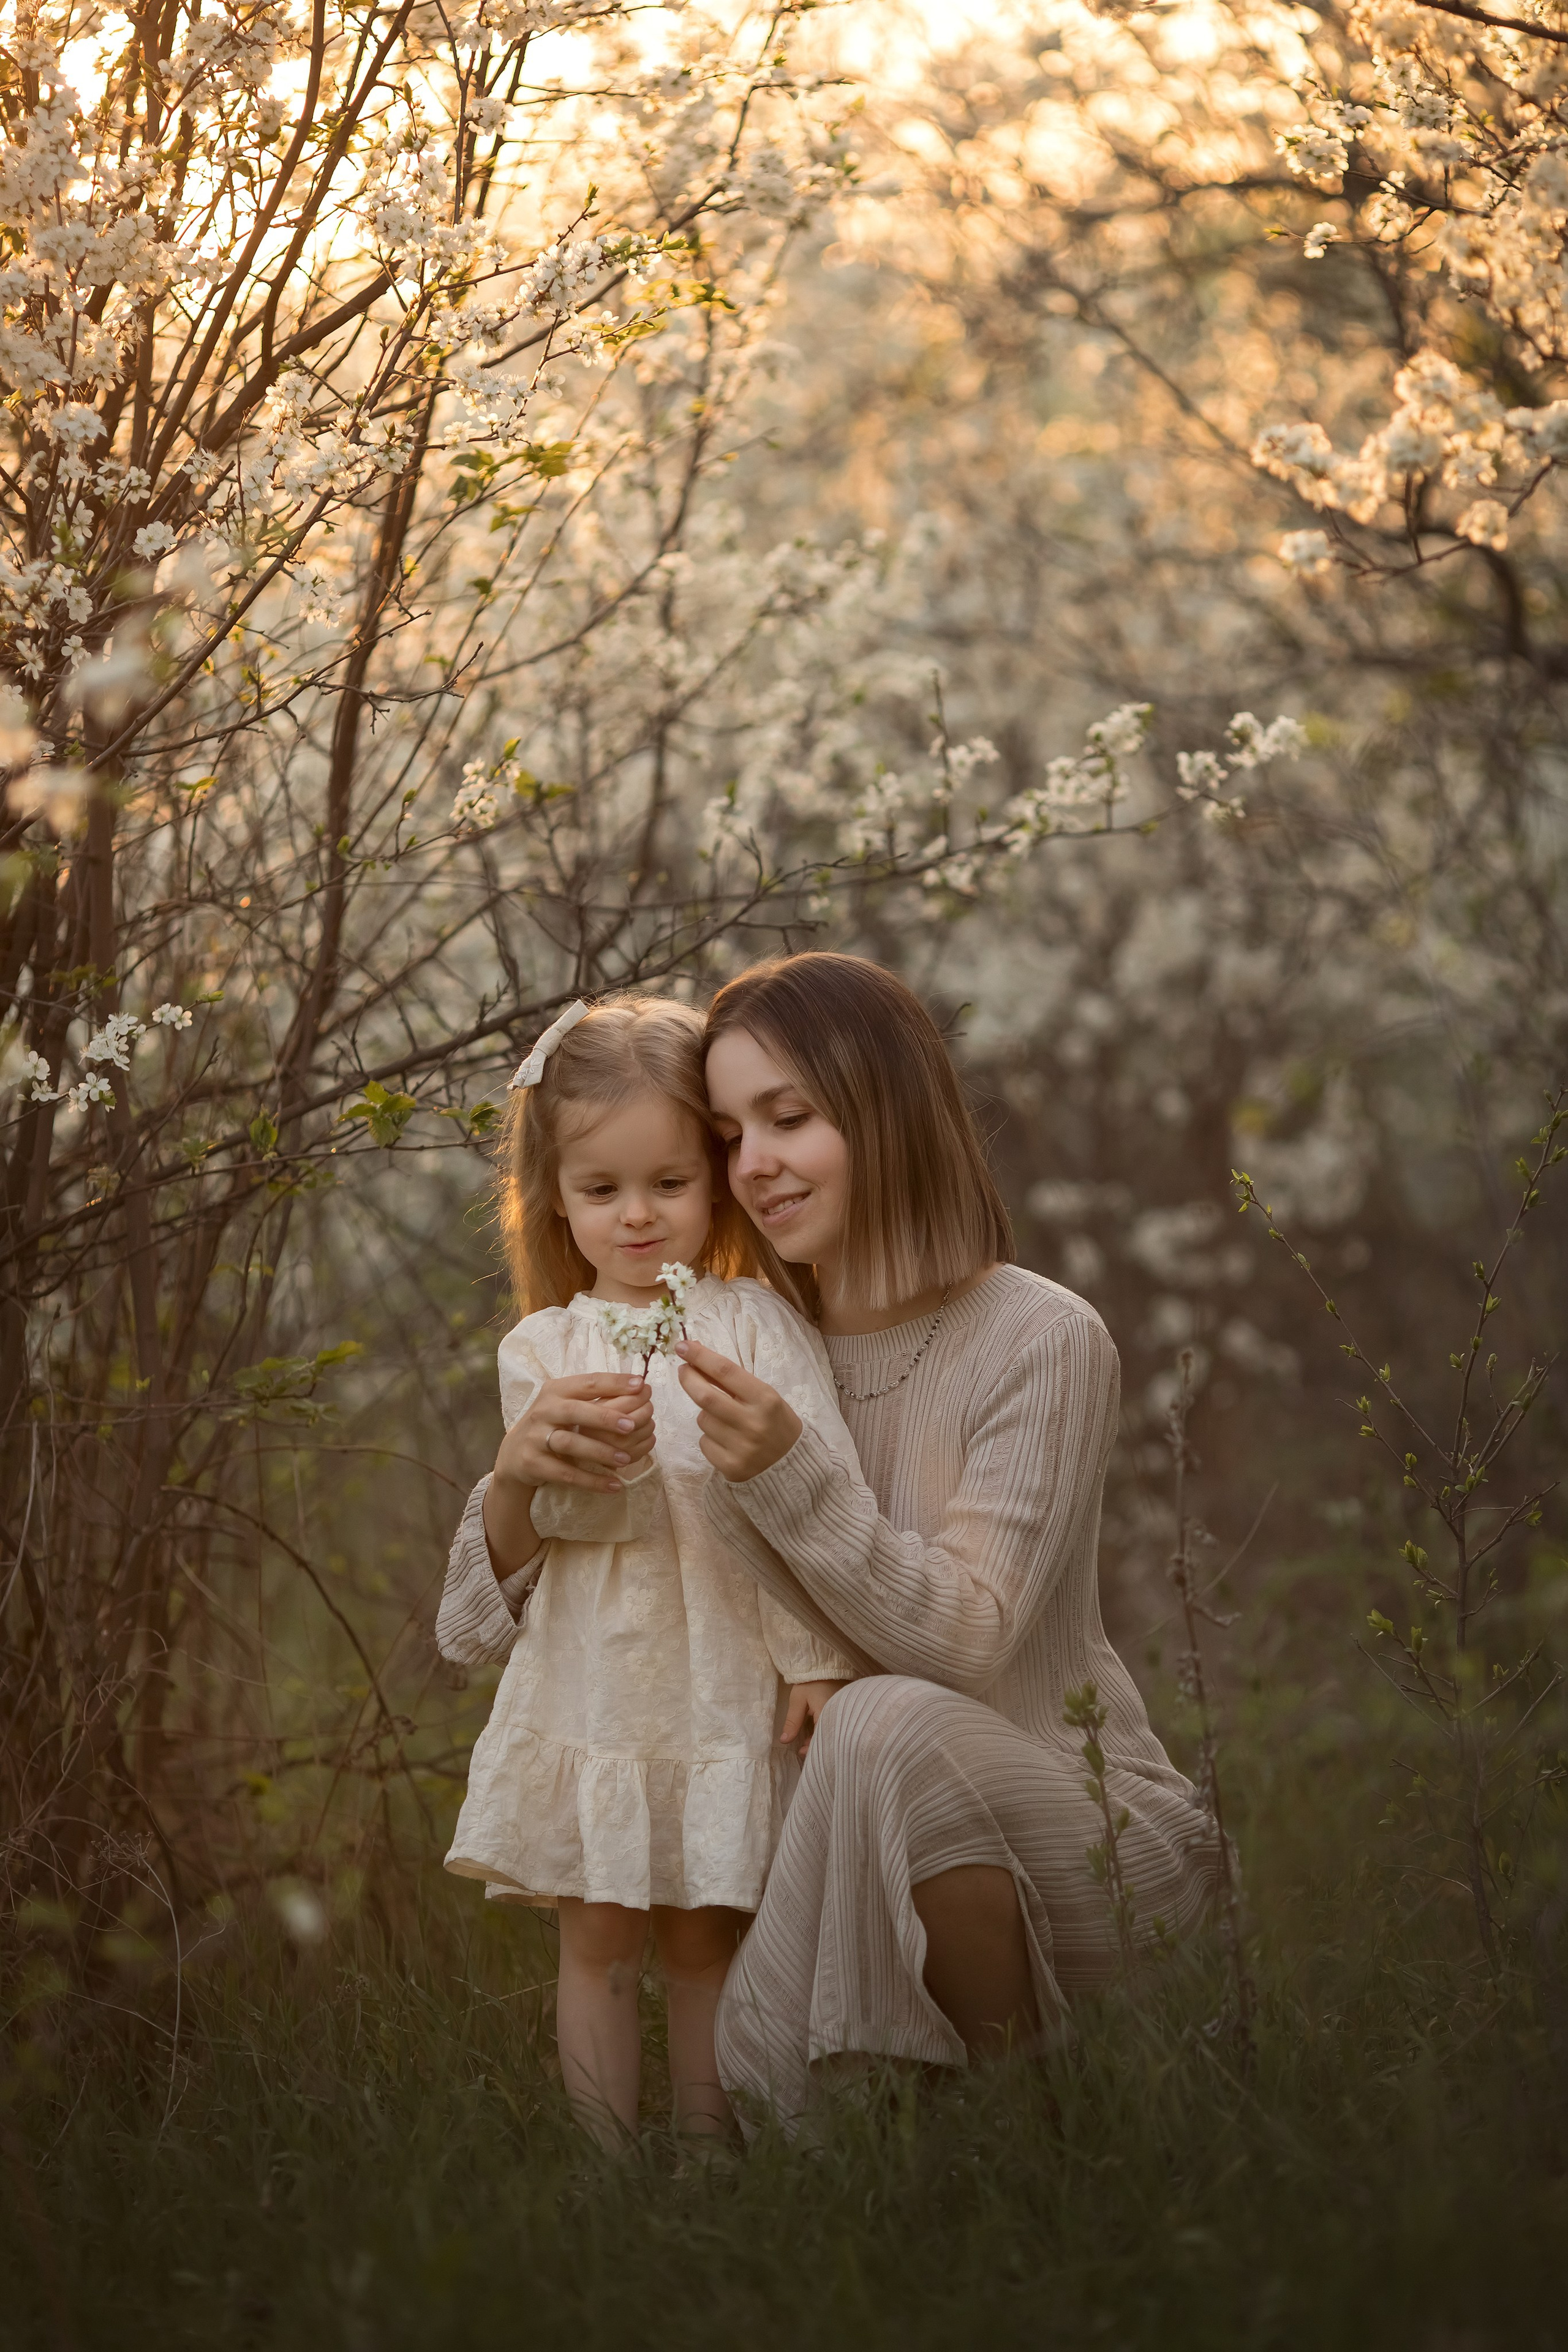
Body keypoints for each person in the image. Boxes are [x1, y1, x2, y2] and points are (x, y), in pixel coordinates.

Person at [666, 952, 1225, 2130]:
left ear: (886, 1111)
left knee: (885, 1719)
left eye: (791, 1117)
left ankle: (1033, 2141)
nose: (753, 1164)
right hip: (834, 1856)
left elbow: (969, 1643)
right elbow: (488, 1608)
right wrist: (519, 1490)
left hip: (1087, 1847)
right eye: (727, 1133)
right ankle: (925, 2159)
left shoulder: (1039, 1338)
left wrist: (791, 1477)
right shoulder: (742, 1353)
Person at [435, 995, 858, 2149]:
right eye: (601, 1190)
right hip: (596, 1681)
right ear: (554, 1199)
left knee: (705, 1937)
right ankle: (605, 2175)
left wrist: (817, 1660)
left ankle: (711, 2151)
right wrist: (547, 1470)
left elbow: (818, 1498)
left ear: (714, 1181)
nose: (637, 1217)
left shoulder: (761, 1327)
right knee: (598, 1934)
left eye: (668, 1183)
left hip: (723, 1677)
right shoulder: (547, 1348)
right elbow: (558, 1538)